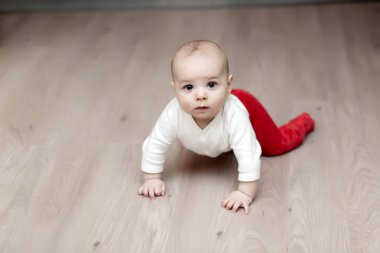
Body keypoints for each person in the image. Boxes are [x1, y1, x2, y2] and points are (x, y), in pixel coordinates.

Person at [138, 40, 314, 214]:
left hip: (246, 105)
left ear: (229, 85)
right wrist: (151, 179)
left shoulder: (235, 114)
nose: (200, 95)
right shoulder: (173, 113)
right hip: (220, 124)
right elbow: (155, 143)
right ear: (175, 89)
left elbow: (249, 153)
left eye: (211, 84)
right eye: (189, 87)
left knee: (275, 144)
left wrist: (244, 193)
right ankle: (227, 140)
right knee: (224, 139)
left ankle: (304, 121)